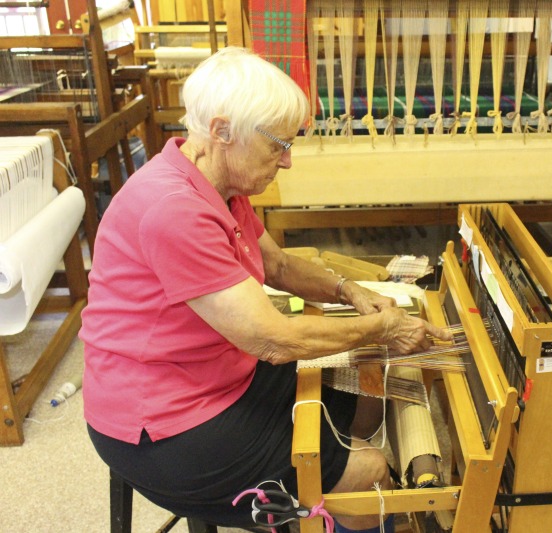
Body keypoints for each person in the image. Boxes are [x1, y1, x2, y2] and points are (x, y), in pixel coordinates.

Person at [80, 46, 452, 533]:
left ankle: (335, 495)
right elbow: (271, 339)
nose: (288, 161)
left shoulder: (216, 183)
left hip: (215, 375)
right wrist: (381, 328)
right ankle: (344, 502)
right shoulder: (173, 209)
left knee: (363, 399)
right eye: (278, 145)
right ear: (221, 131)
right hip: (164, 426)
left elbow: (275, 263)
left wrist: (350, 292)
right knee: (369, 471)